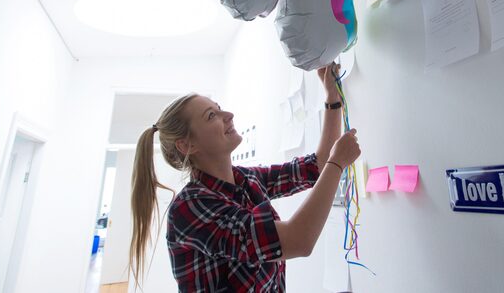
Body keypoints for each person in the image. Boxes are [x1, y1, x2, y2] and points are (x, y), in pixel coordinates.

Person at [129, 62, 361, 292]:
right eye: (212, 116)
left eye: (219, 108)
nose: (228, 115)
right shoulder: (190, 208)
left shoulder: (245, 179)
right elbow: (299, 240)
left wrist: (332, 98)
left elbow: (316, 166)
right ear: (187, 144)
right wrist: (337, 163)